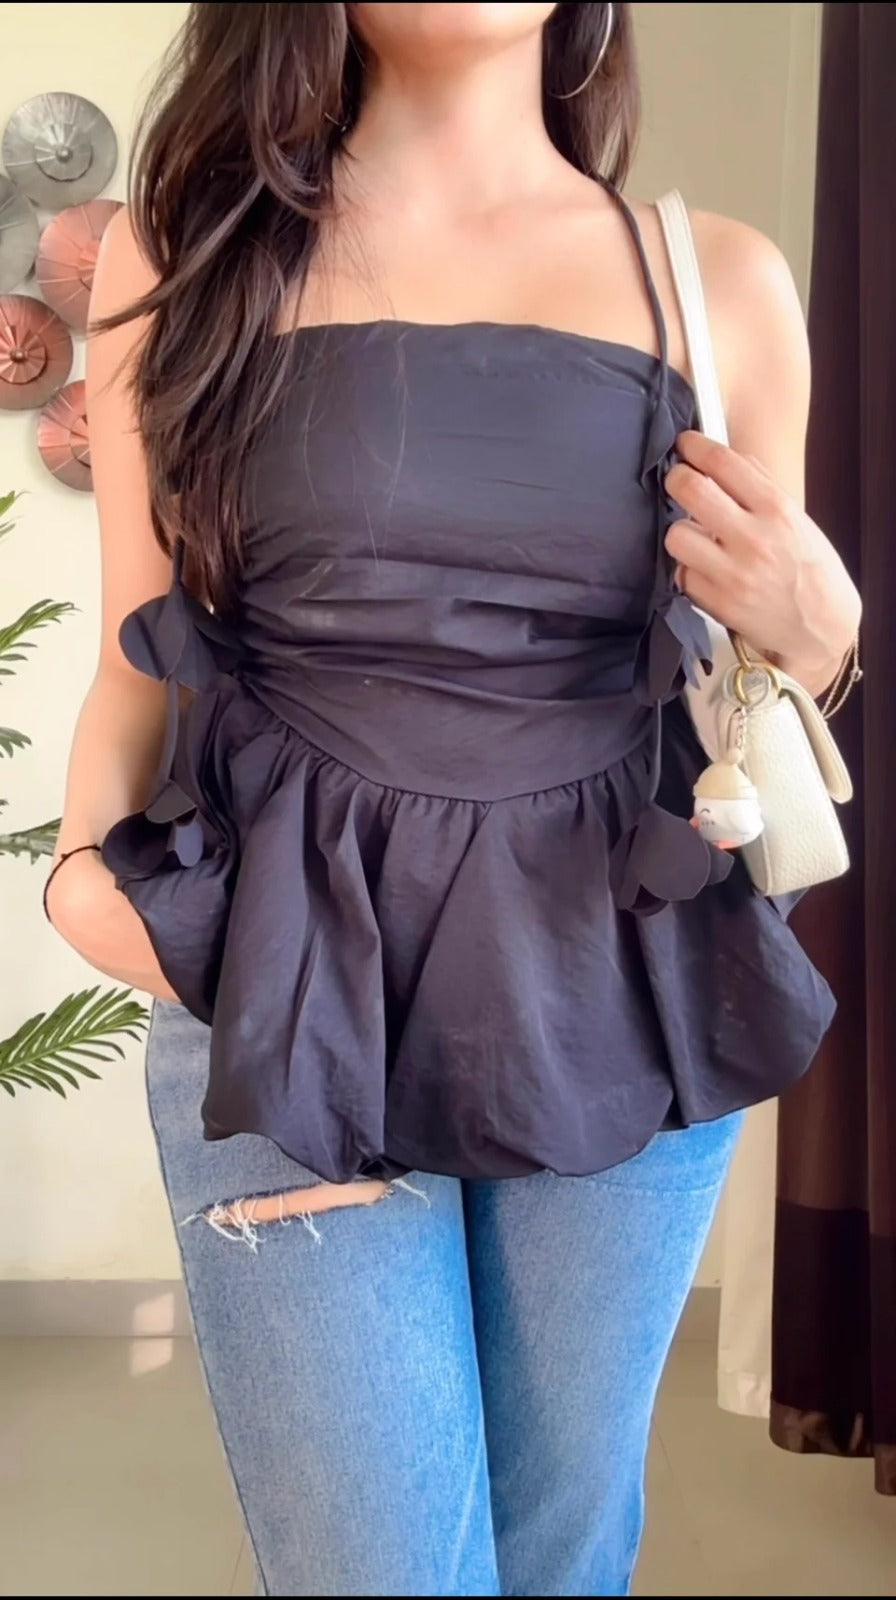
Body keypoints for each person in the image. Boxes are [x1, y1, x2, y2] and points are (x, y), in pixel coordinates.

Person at [45, 4, 860, 1594]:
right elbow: (141, 658)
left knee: (562, 1562)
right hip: (284, 990)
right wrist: (83, 876)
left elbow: (753, 692)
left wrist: (827, 639)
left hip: (618, 989)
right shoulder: (181, 255)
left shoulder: (720, 283)